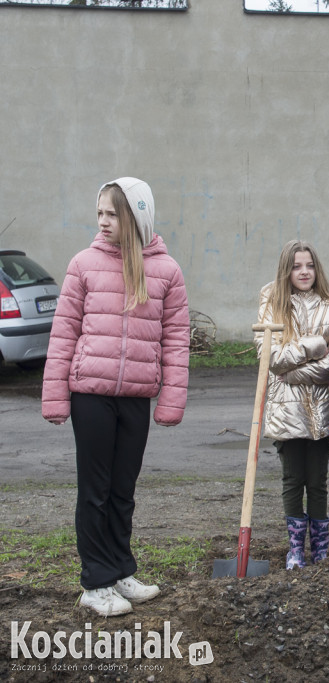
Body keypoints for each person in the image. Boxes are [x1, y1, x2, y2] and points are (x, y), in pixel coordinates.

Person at [41, 177, 190, 617]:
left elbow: (176, 339)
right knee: (96, 491)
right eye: (100, 213)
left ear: (135, 217)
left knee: (124, 490)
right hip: (90, 395)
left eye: (112, 214)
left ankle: (122, 570)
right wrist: (54, 396)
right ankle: (96, 582)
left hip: (135, 398)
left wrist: (171, 400)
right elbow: (63, 332)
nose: (103, 222)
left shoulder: (167, 271)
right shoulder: (83, 264)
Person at [256, 241, 329, 569]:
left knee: (318, 480)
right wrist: (314, 345)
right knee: (293, 479)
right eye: (296, 266)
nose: (304, 271)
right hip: (287, 411)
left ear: (316, 268)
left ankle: (320, 548)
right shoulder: (274, 308)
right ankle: (296, 548)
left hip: (323, 410)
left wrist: (296, 372)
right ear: (287, 270)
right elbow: (271, 358)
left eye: (309, 265)